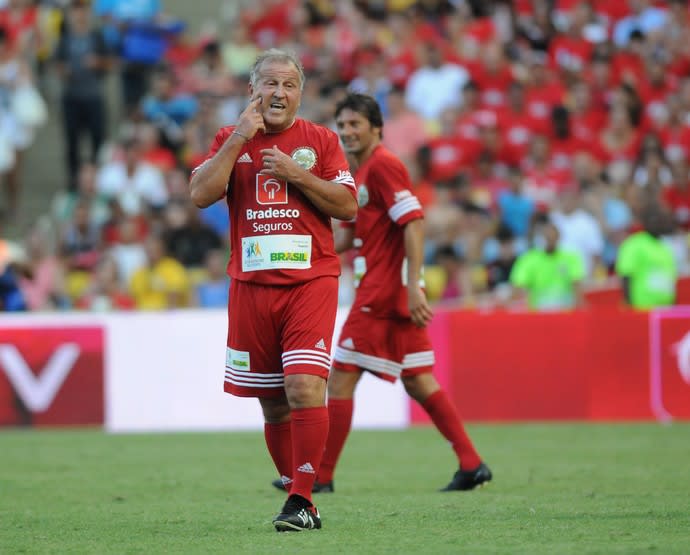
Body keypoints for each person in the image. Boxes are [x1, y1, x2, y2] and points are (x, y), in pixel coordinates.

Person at [273, 92, 491, 495]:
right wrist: (301, 256)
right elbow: (355, 235)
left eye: (356, 124)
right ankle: (471, 462)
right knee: (419, 382)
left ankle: (320, 474)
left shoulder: (384, 166)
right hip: (388, 292)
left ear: (377, 128)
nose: (348, 131)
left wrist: (413, 287)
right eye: (342, 125)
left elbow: (414, 223)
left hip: (384, 294)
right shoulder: (360, 175)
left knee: (339, 379)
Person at [188, 48, 357, 532]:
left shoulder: (321, 141)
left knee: (304, 386)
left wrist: (296, 174)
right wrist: (241, 136)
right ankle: (295, 492)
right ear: (252, 91)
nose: (278, 93)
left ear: (300, 93)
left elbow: (347, 206)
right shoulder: (230, 138)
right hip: (251, 285)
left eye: (289, 85)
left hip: (310, 281)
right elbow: (200, 195)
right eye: (270, 84)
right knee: (273, 400)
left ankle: (303, 499)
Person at [509, 216, 586, 311]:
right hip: (538, 316)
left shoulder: (572, 258)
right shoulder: (528, 259)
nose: (549, 238)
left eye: (552, 234)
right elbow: (518, 288)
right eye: (546, 235)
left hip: (565, 314)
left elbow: (577, 287)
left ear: (559, 236)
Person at [615, 205, 677, 309]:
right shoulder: (635, 243)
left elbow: (670, 278)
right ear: (645, 222)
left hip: (665, 309)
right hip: (642, 309)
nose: (658, 223)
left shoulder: (665, 246)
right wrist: (629, 304)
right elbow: (626, 275)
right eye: (654, 220)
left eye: (661, 220)